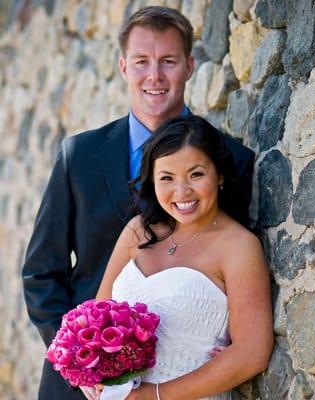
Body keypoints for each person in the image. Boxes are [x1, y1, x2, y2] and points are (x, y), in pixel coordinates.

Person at [21, 6, 255, 400]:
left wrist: (231, 334)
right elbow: (41, 274)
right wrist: (80, 358)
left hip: (184, 381)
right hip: (77, 386)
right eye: (141, 62)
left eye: (168, 61)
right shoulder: (78, 155)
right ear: (123, 67)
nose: (155, 76)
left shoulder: (232, 161)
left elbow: (234, 263)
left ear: (190, 65)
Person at [96, 115, 274, 400]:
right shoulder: (137, 232)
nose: (182, 192)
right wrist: (88, 373)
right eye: (167, 178)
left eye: (196, 175)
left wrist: (153, 396)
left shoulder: (239, 247)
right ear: (152, 180)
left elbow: (252, 353)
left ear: (219, 174)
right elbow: (96, 319)